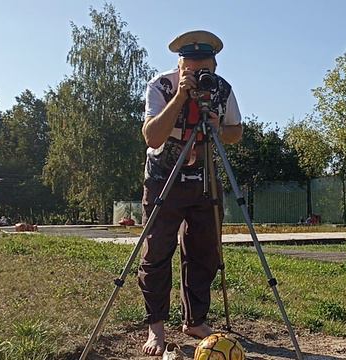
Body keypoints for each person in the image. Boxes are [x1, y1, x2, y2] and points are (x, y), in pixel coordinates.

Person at [139, 30, 243, 356]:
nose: (199, 72)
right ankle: (156, 327)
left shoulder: (222, 89)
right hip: (163, 179)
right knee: (157, 252)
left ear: (214, 63)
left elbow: (235, 132)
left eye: (205, 65)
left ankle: (195, 320)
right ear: (180, 63)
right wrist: (180, 97)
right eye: (191, 64)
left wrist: (216, 127)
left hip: (204, 179)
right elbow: (152, 137)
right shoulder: (161, 85)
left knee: (205, 252)